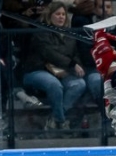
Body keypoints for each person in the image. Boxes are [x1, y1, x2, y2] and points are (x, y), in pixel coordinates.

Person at [21, 1, 87, 131]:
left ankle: (55, 116)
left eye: (63, 14)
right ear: (49, 15)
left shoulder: (69, 34)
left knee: (79, 84)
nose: (61, 17)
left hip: (63, 71)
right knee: (54, 84)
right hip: (37, 70)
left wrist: (77, 64)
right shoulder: (41, 32)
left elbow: (75, 54)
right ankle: (61, 121)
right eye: (57, 14)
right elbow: (50, 53)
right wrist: (72, 64)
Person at [71, 0, 116, 110]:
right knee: (96, 81)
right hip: (94, 69)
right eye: (101, 7)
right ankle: (106, 114)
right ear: (95, 9)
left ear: (112, 9)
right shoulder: (88, 29)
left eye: (108, 7)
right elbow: (85, 53)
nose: (105, 10)